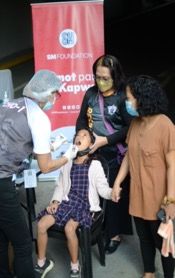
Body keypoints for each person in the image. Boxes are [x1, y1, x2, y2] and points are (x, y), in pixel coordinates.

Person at [0, 69, 78, 278]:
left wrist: (50, 146)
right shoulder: (40, 119)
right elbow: (45, 167)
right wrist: (66, 157)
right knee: (23, 241)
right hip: (1, 182)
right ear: (48, 94)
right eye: (56, 93)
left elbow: (16, 141)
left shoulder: (11, 104)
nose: (56, 98)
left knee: (2, 236)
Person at [112, 75, 175, 278]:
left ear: (143, 98)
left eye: (130, 98)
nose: (127, 102)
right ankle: (149, 271)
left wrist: (171, 201)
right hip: (138, 195)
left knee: (163, 241)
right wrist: (117, 182)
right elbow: (129, 157)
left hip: (160, 198)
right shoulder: (136, 124)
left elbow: (173, 165)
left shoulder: (165, 126)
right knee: (144, 236)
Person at [34, 128, 112, 278]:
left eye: (85, 135)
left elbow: (103, 189)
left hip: (85, 205)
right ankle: (41, 262)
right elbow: (61, 186)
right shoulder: (67, 162)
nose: (79, 136)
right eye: (78, 135)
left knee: (70, 228)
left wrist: (112, 193)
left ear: (91, 145)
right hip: (67, 203)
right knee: (41, 224)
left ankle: (75, 266)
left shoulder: (95, 165)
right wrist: (55, 201)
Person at [76, 54, 133, 254]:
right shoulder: (90, 94)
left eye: (105, 78)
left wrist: (106, 140)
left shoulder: (123, 97)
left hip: (115, 153)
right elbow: (82, 119)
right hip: (94, 152)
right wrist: (83, 136)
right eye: (97, 77)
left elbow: (131, 127)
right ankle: (100, 228)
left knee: (113, 194)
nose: (100, 82)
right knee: (94, 192)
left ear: (115, 77)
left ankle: (115, 233)